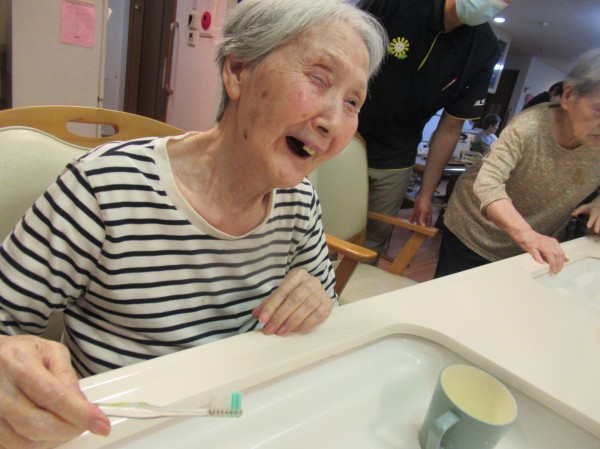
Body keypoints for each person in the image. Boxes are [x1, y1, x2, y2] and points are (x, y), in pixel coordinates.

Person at [0, 0, 387, 446]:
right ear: (238, 71)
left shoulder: (299, 203)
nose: (334, 122)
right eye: (318, 78)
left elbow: (324, 319)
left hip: (246, 424)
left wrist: (318, 300)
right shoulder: (105, 188)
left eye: (353, 101)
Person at [355, 0, 509, 257]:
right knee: (319, 228)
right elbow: (339, 56)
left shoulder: (484, 49)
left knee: (373, 244)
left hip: (397, 157)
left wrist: (425, 194)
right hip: (345, 137)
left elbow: (450, 127)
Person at [435, 48, 600, 278]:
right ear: (569, 96)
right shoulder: (529, 126)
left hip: (531, 245)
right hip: (475, 231)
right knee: (454, 296)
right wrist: (527, 234)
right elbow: (488, 183)